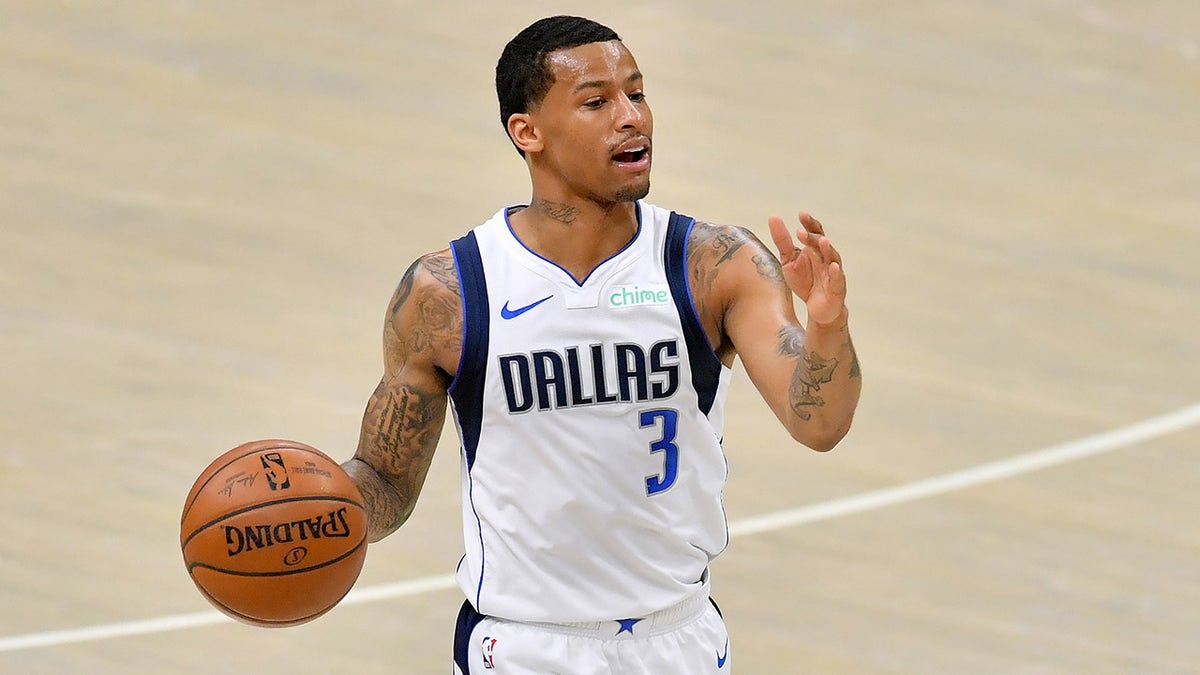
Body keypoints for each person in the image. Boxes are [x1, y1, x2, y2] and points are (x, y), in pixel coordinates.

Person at [341, 15, 861, 674]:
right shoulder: (449, 293)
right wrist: (315, 515)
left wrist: (827, 327)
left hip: (679, 639)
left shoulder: (713, 264)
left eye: (637, 94)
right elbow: (385, 479)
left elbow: (819, 421)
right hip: (523, 645)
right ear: (526, 132)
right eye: (597, 101)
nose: (631, 117)